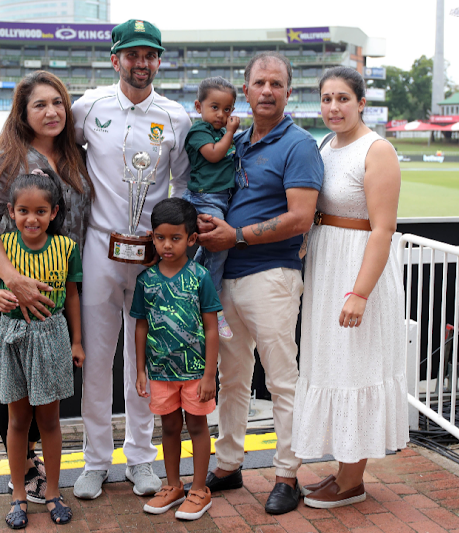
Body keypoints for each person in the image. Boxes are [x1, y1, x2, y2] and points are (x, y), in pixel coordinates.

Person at [192, 51, 323, 515]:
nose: (267, 90)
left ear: (288, 93)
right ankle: (228, 464)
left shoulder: (299, 144)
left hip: (271, 279)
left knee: (282, 379)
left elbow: (301, 217)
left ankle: (288, 474)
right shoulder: (239, 140)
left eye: (276, 84)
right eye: (259, 83)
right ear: (244, 90)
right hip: (225, 280)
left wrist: (238, 235)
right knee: (232, 377)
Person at [70, 19, 191, 500]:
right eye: (132, 54)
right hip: (100, 246)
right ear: (115, 59)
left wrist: (173, 241)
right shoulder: (88, 107)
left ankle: (141, 458)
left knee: (144, 357)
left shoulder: (176, 116)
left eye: (150, 55)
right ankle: (96, 461)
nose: (141, 63)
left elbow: (180, 183)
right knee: (97, 361)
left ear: (159, 61)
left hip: (151, 255)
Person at [0, 70, 92, 506]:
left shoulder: (76, 153)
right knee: (13, 385)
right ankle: (21, 470)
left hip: (59, 291)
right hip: (10, 290)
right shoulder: (10, 154)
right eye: (39, 104)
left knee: (49, 384)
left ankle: (39, 465)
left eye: (57, 102)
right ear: (23, 113)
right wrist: (14, 279)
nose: (51, 111)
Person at [292, 66, 408, 509]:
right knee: (331, 363)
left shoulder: (377, 150)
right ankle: (344, 469)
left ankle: (353, 480)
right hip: (326, 265)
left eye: (343, 98)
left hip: (359, 268)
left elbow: (382, 230)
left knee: (354, 364)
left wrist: (359, 292)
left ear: (361, 102)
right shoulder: (325, 145)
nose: (334, 107)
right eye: (326, 99)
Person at [0, 172, 85, 528]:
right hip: (14, 336)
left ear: (54, 212)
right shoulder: (3, 246)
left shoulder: (66, 247)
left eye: (40, 211)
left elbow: (71, 296)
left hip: (52, 334)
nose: (32, 218)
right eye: (23, 210)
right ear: (11, 211)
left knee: (50, 421)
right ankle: (19, 496)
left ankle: (52, 492)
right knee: (18, 420)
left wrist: (77, 341)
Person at [131, 198, 220, 521]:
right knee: (168, 427)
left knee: (196, 425)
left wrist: (210, 375)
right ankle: (172, 486)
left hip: (196, 372)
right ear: (152, 237)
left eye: (175, 238)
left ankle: (199, 489)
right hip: (160, 372)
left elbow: (212, 330)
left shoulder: (200, 278)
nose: (166, 245)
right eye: (160, 238)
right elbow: (140, 326)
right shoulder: (146, 281)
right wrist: (140, 369)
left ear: (192, 239)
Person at [182, 77, 239, 340]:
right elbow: (215, 154)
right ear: (198, 106)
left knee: (207, 252)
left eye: (227, 109)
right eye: (215, 107)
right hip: (205, 199)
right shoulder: (199, 131)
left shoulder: (219, 132)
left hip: (219, 199)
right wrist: (230, 133)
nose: (221, 114)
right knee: (219, 249)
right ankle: (213, 309)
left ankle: (193, 289)